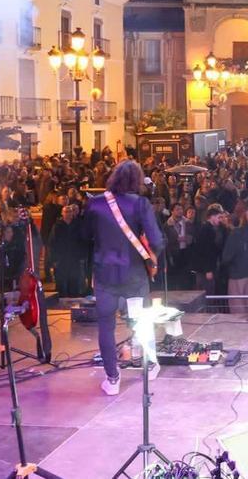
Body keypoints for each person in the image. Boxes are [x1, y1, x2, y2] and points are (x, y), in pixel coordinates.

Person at [83, 160, 165, 396]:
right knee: (142, 321)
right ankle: (150, 364)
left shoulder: (96, 204)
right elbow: (157, 241)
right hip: (133, 276)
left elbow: (84, 235)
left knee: (106, 327)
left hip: (105, 275)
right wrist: (152, 257)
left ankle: (112, 378)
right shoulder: (140, 204)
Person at [221, 207, 248, 315]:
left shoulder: (236, 233)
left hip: (238, 273)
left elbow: (227, 256)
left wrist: (225, 265)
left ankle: (239, 329)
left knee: (237, 304)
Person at [49, 203, 90, 298]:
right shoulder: (57, 226)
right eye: (66, 212)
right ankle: (61, 299)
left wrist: (82, 256)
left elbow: (83, 241)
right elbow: (52, 243)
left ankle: (74, 298)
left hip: (75, 258)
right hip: (61, 258)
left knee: (75, 280)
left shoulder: (79, 225)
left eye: (70, 212)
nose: (68, 214)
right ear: (62, 213)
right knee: (61, 280)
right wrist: (53, 259)